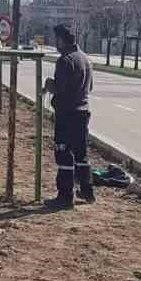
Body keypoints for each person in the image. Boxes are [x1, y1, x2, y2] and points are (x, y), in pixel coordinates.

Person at [44, 23, 94, 210]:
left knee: (64, 153)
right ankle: (87, 191)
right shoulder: (86, 59)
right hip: (83, 112)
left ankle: (65, 196)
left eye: (55, 40)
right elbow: (89, 87)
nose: (54, 43)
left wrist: (50, 86)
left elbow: (61, 89)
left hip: (67, 113)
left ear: (61, 40)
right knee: (81, 153)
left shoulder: (65, 60)